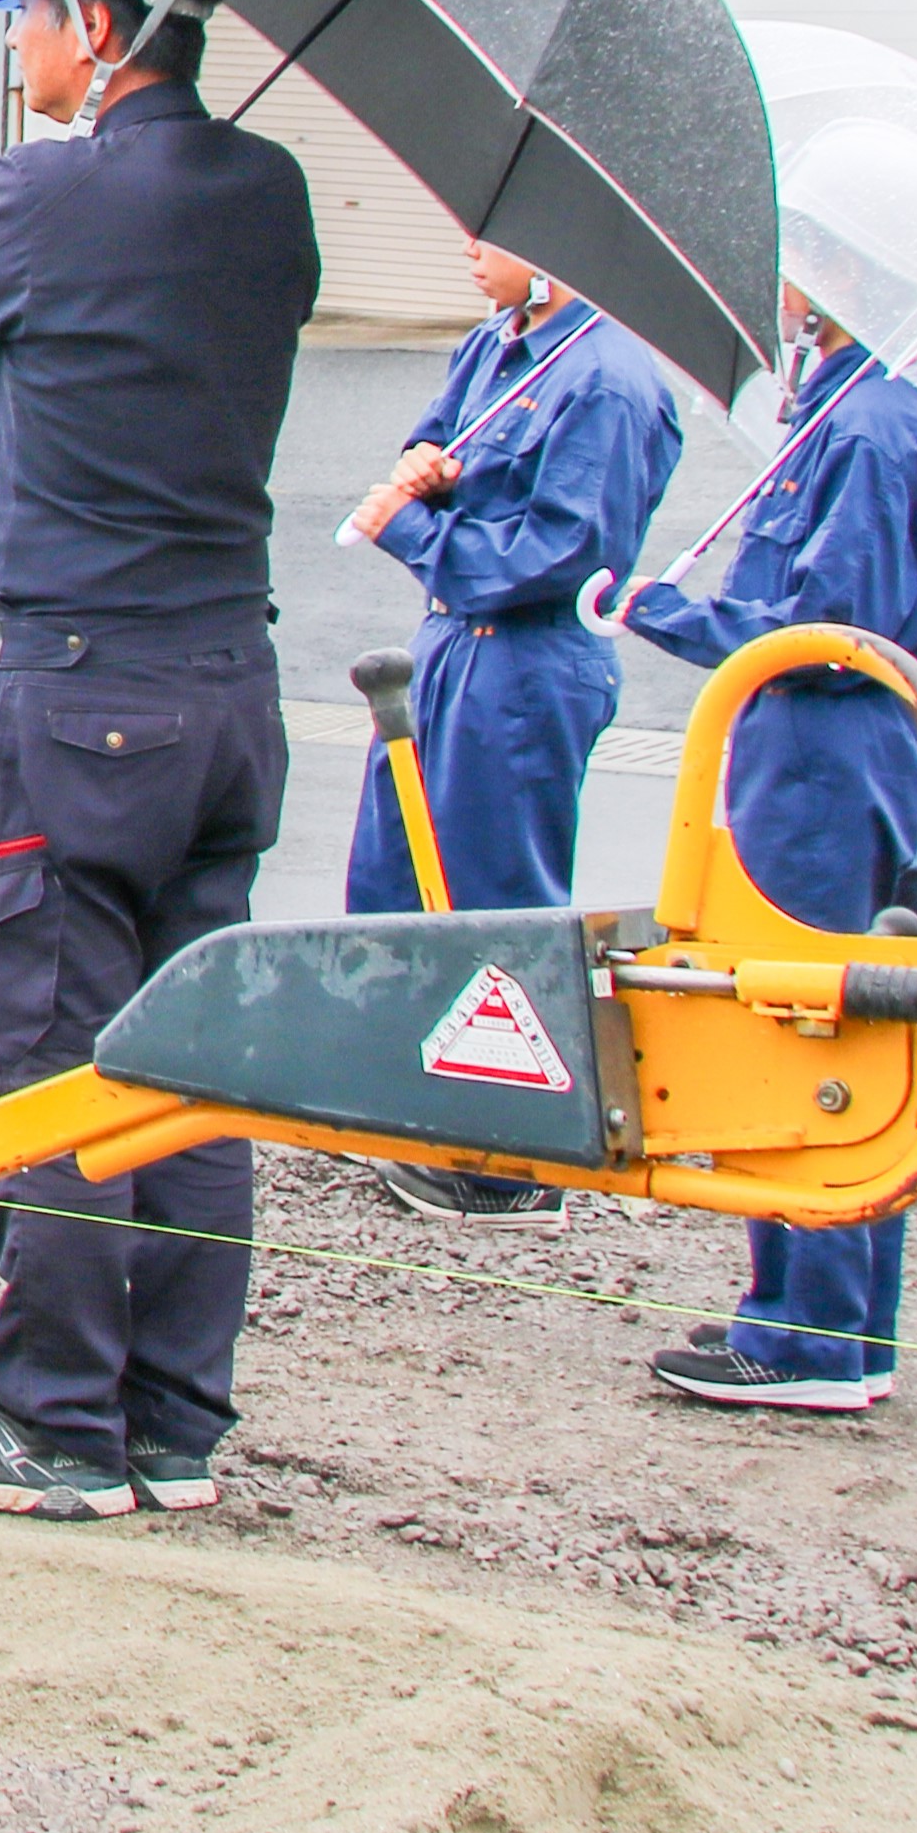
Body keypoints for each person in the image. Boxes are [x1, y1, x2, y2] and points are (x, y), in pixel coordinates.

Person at [0, 0, 319, 1524]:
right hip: (227, 690)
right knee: (194, 1069)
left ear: (101, 19)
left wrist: (59, 174)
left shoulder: (46, 192)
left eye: (33, 16)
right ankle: (174, 1424)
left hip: (66, 696)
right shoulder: (268, 198)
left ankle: (55, 1424)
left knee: (51, 1071)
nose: (19, 50)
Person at [606, 176, 917, 1415]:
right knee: (827, 1016)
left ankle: (808, 1330)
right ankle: (834, 1322)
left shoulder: (870, 428)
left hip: (821, 754)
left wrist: (660, 611)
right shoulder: (852, 407)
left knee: (805, 1019)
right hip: (816, 751)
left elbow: (823, 622)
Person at [336, 237, 687, 1221]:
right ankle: (424, 1109)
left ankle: (511, 1159)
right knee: (400, 877)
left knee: (496, 900)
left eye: (490, 236)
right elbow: (434, 438)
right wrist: (422, 469)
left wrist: (410, 527)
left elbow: (564, 553)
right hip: (451, 641)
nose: (467, 250)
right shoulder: (496, 345)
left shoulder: (610, 379)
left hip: (528, 658)